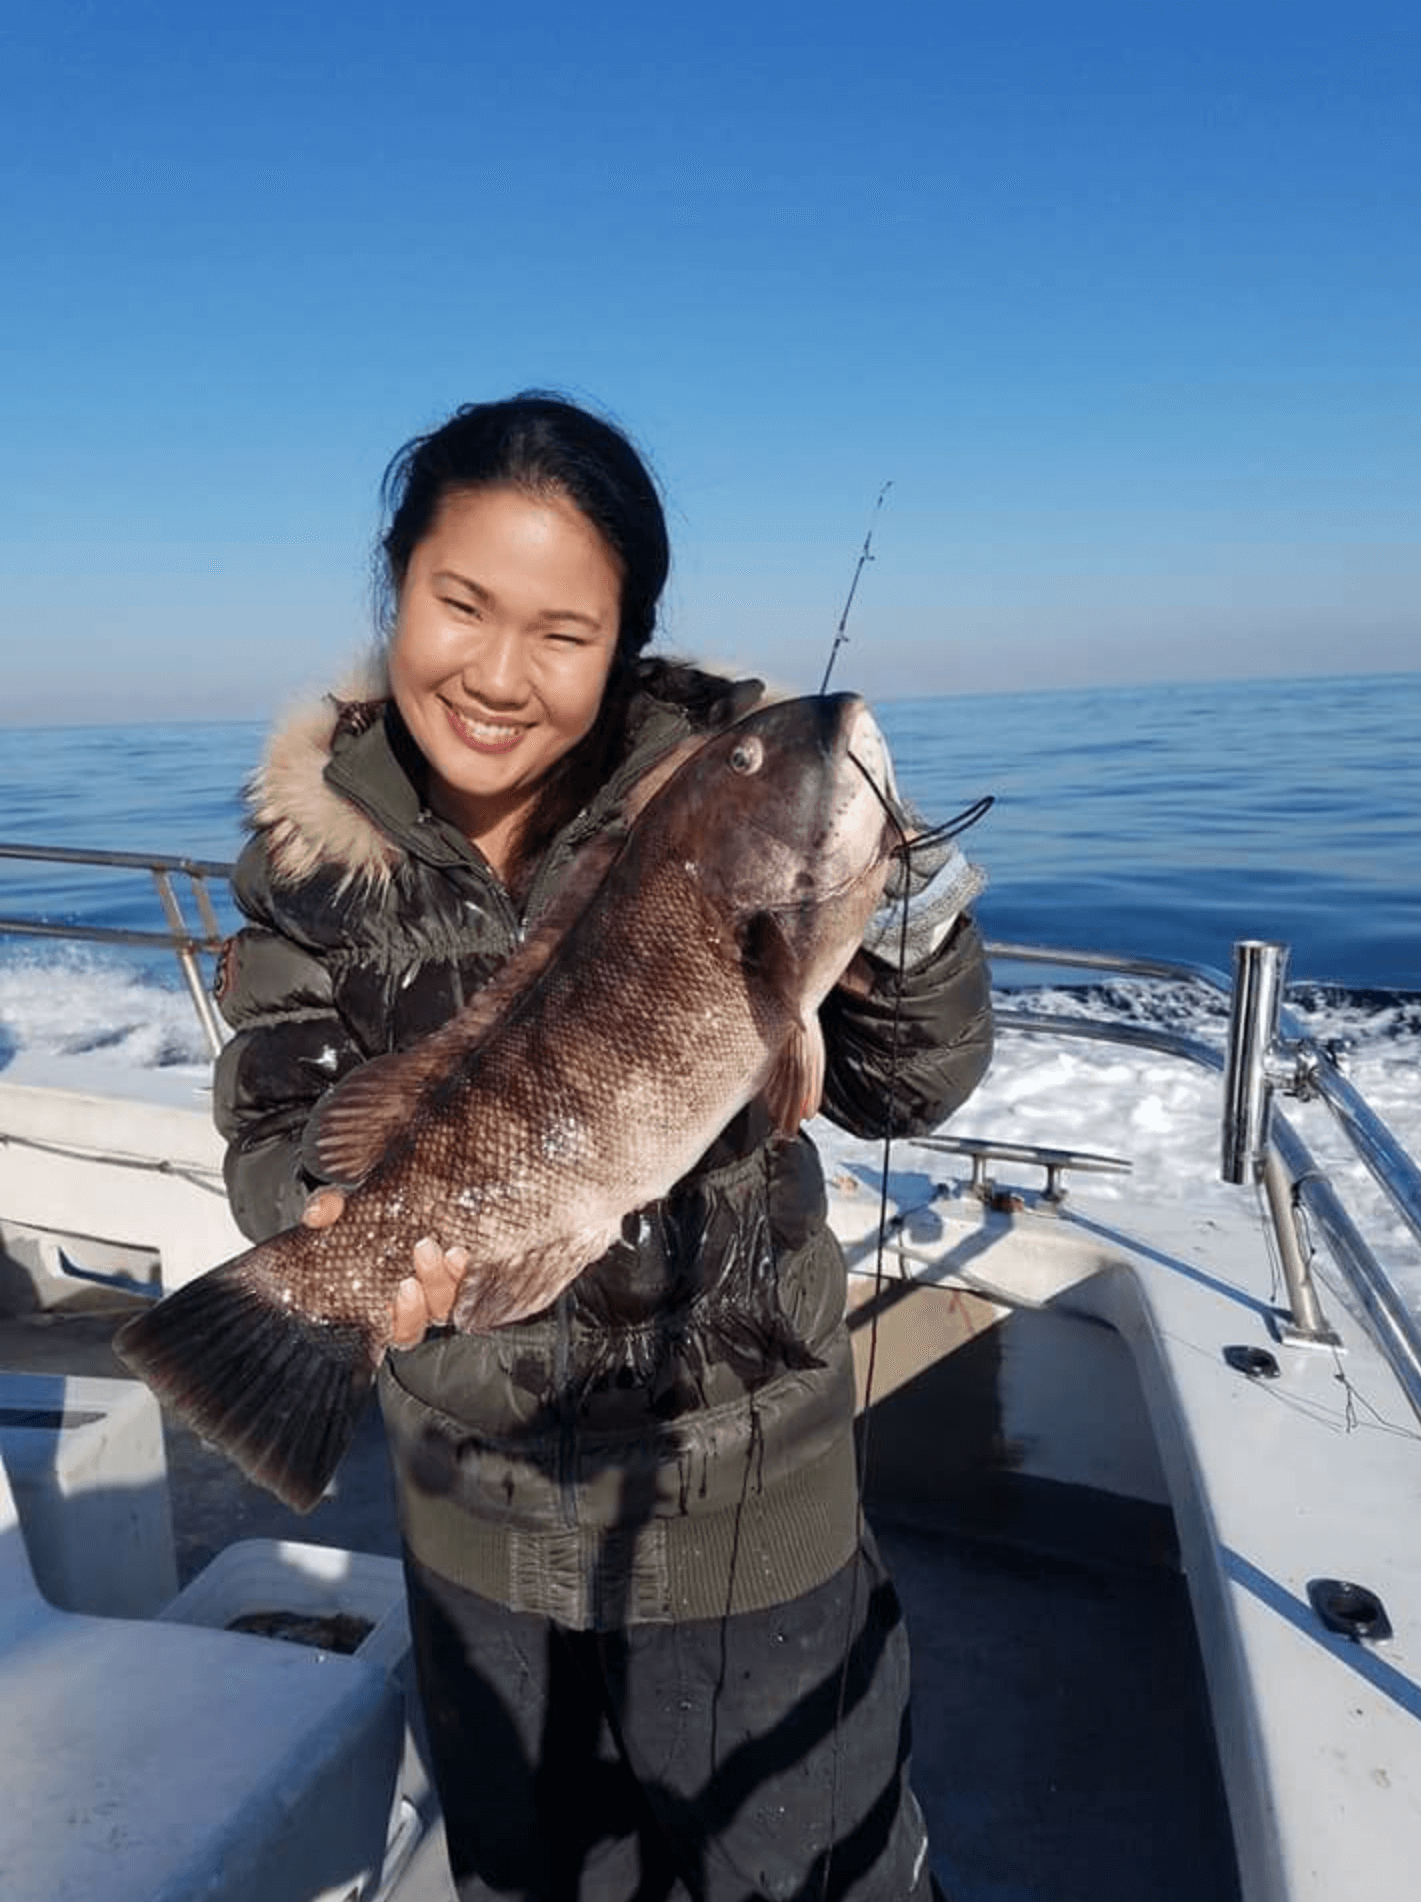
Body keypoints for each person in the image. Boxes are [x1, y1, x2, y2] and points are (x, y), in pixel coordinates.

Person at [213, 392, 993, 1902]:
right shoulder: (308, 858)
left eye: (564, 631)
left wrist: (904, 920)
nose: (499, 674)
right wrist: (329, 1212)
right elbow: (273, 1113)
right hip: (469, 1522)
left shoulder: (706, 800)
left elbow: (909, 1084)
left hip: (744, 1508)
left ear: (627, 634)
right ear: (397, 588)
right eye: (461, 605)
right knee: (534, 1876)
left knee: (807, 1870)